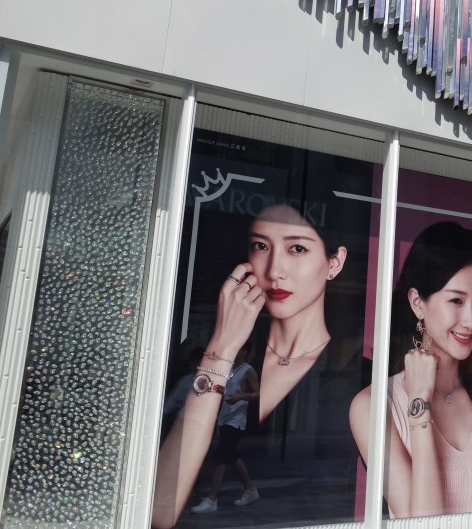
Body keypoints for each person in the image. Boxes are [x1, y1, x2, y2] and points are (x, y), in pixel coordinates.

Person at [152, 202, 360, 528]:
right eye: (262, 246)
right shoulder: (243, 349)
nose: (275, 268)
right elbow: (159, 511)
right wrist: (221, 347)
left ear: (335, 263)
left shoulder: (354, 370)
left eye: (297, 248)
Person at [350, 221, 472, 518]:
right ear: (418, 303)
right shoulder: (372, 406)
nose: (471, 320)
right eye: (456, 300)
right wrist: (420, 403)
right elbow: (422, 523)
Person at [189, 342, 260, 513]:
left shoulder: (247, 370)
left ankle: (211, 499)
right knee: (231, 456)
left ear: (244, 350)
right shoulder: (231, 370)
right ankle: (250, 490)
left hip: (235, 421)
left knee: (221, 457)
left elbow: (257, 393)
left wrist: (240, 397)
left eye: (238, 348)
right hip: (225, 418)